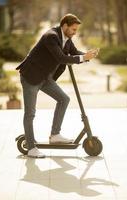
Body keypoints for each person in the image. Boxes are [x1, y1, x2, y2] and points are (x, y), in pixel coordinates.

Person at [16, 14, 99, 158]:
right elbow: (61, 58)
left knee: (64, 99)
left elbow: (74, 53)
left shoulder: (67, 39)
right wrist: (82, 58)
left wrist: (87, 55)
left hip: (45, 77)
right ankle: (30, 148)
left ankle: (55, 134)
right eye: (73, 29)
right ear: (65, 26)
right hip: (30, 77)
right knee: (30, 113)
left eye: (76, 30)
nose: (75, 32)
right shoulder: (51, 36)